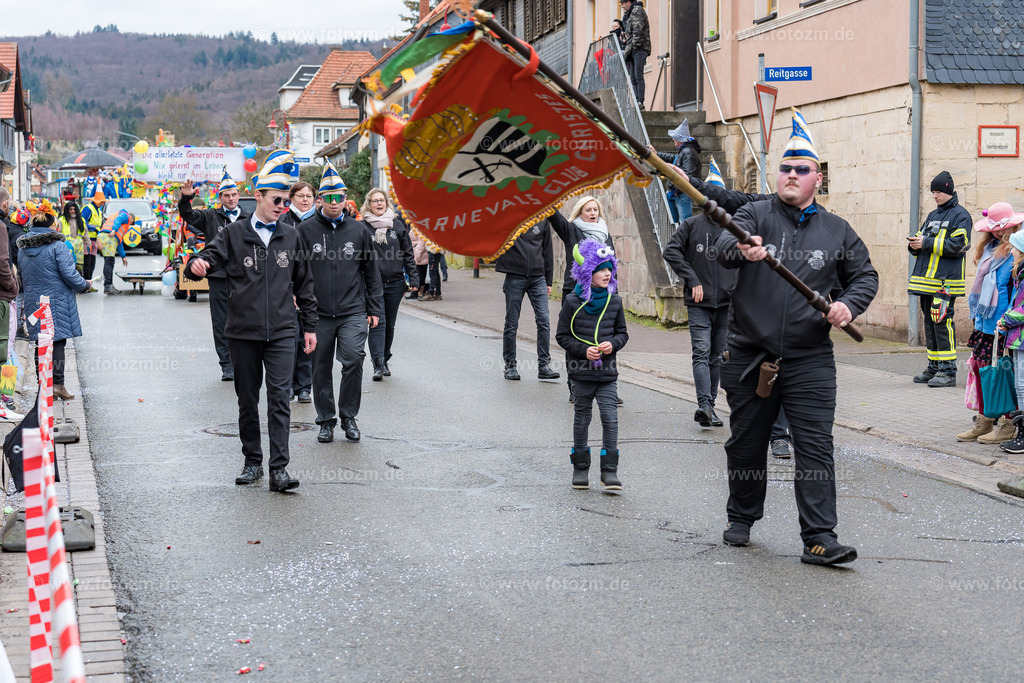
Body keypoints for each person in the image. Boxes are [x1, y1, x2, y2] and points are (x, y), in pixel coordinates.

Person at [714, 109, 878, 566]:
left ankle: (820, 537)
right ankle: (742, 516)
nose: (790, 174)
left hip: (810, 357)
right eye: (785, 167)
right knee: (747, 443)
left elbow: (864, 275)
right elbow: (727, 247)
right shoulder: (755, 214)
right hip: (749, 353)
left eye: (800, 169)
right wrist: (743, 250)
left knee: (814, 444)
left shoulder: (837, 230)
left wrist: (849, 305)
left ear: (817, 179)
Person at [185, 150, 318, 493]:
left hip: (283, 332)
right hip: (242, 332)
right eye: (277, 200)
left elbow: (304, 284)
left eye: (286, 202)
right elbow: (207, 258)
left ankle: (279, 470)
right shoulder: (234, 233)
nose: (282, 206)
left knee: (279, 399)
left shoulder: (292, 236)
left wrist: (311, 326)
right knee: (247, 400)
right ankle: (252, 462)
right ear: (258, 196)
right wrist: (195, 265)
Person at [296, 160, 382, 445]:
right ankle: (326, 420)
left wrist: (374, 308)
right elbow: (295, 271)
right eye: (329, 197)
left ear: (346, 199)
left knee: (354, 359)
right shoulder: (305, 231)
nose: (334, 202)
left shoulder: (359, 231)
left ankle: (348, 416)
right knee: (319, 366)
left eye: (339, 197)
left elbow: (371, 272)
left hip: (352, 310)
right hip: (317, 313)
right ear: (321, 199)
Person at [662, 158, 734, 429]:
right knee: (701, 352)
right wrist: (693, 279)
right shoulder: (691, 225)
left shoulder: (733, 227)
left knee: (717, 355)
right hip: (700, 303)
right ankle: (704, 404)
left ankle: (710, 407)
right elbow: (671, 251)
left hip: (726, 303)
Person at [556, 238, 629, 490]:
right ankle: (580, 469)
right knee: (582, 419)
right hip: (581, 373)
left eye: (610, 268)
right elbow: (562, 336)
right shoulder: (572, 302)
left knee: (610, 419)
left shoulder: (615, 301)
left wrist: (613, 345)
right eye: (601, 269)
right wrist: (584, 350)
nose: (607, 273)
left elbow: (622, 333)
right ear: (588, 272)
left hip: (607, 374)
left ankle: (609, 472)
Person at [955, 203, 1020, 444]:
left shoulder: (1017, 251)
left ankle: (1008, 422)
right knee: (981, 369)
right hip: (984, 322)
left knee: (1005, 373)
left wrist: (1009, 321)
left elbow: (1015, 292)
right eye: (993, 229)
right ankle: (985, 420)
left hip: (1004, 324)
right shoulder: (989, 249)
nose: (998, 232)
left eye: (1003, 228)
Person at [179, 169, 251, 381]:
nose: (230, 198)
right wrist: (186, 198)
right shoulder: (211, 216)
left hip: (244, 279)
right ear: (220, 198)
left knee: (246, 321)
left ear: (238, 195)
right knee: (221, 323)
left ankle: (244, 362)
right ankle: (227, 365)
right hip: (219, 278)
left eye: (234, 194)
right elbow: (188, 215)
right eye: (226, 195)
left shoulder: (249, 218)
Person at [17, 200, 91, 405]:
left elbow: (22, 275)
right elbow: (69, 274)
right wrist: (85, 284)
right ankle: (57, 384)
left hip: (35, 301)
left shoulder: (23, 249)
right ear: (51, 225)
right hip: (56, 300)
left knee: (41, 341)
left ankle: (44, 385)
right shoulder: (57, 246)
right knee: (57, 340)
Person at [908, 170, 971, 388]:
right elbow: (921, 238)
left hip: (945, 283)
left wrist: (924, 243)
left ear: (948, 191)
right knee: (930, 324)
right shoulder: (933, 216)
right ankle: (934, 367)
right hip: (926, 282)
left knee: (943, 324)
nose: (934, 195)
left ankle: (949, 371)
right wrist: (914, 244)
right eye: (933, 191)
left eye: (937, 192)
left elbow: (958, 246)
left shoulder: (961, 216)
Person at [362, 188, 418, 381]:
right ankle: (377, 364)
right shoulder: (362, 227)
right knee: (378, 323)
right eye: (375, 201)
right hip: (372, 285)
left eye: (382, 200)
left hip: (395, 283)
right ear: (369, 204)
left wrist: (413, 277)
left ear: (387, 203)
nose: (379, 204)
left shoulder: (397, 226)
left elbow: (408, 253)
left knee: (390, 325)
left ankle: (385, 358)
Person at [494, 218, 559, 382]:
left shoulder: (543, 219)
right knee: (512, 322)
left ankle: (544, 366)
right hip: (514, 276)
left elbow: (547, 250)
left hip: (538, 278)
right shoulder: (509, 217)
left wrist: (548, 281)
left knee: (544, 320)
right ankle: (510, 366)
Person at [278, 182, 316, 403]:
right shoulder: (283, 221)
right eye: (300, 196)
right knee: (289, 339)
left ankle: (304, 386)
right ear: (291, 198)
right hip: (288, 290)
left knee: (307, 338)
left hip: (311, 289)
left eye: (308, 196)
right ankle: (289, 384)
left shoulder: (319, 221)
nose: (304, 200)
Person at [996, 226, 1024, 454]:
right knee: (1020, 384)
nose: (1011, 250)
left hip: (1022, 336)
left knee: (1022, 386)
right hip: (1018, 336)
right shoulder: (1020, 273)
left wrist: (1006, 319)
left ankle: (1023, 435)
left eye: (1014, 246)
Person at [652, 121, 702, 223]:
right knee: (674, 223)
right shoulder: (684, 150)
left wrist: (676, 191)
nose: (672, 139)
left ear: (680, 139)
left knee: (684, 224)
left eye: (674, 137)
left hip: (682, 193)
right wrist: (656, 154)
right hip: (675, 192)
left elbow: (688, 175)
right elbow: (674, 158)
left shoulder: (688, 152)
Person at [0, 189, 19, 418]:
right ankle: (6, 399)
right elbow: (3, 262)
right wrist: (13, 287)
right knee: (7, 349)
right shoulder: (2, 226)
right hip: (4, 297)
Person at [619, 0, 651, 108]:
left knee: (638, 75)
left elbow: (639, 29)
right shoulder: (628, 14)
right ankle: (637, 101)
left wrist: (634, 45)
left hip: (639, 48)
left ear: (628, 2)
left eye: (623, 4)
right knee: (633, 77)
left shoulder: (637, 10)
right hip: (632, 49)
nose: (622, 6)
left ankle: (640, 101)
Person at [95, 209, 132, 295]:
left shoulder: (114, 216)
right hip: (109, 237)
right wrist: (114, 230)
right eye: (131, 222)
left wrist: (123, 256)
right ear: (131, 217)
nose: (130, 224)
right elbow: (118, 220)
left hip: (103, 236)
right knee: (109, 262)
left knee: (108, 261)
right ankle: (108, 286)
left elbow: (119, 241)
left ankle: (109, 285)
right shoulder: (125, 215)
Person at [80, 189, 106, 289]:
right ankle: (85, 285)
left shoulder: (98, 211)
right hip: (87, 239)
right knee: (87, 263)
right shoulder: (88, 209)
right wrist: (94, 229)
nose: (103, 203)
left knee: (92, 263)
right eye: (102, 201)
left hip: (94, 239)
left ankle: (89, 284)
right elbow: (83, 222)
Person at [57, 201, 90, 276]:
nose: (72, 211)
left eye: (74, 209)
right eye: (70, 209)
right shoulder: (62, 220)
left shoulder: (81, 220)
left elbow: (85, 234)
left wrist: (88, 244)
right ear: (67, 210)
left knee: (79, 268)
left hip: (79, 249)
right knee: (68, 268)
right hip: (66, 247)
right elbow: (58, 232)